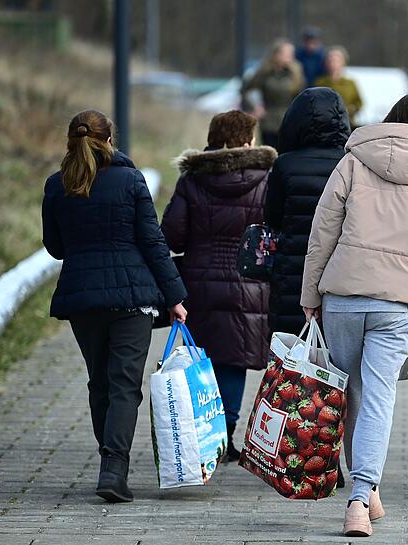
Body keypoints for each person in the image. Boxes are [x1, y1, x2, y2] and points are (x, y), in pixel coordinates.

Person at [301, 94, 408, 537]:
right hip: (396, 303)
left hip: (344, 297)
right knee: (377, 396)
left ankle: (363, 491)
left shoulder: (352, 161)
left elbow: (322, 233)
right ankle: (360, 496)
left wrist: (310, 294)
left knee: (350, 392)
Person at [42, 110, 188, 503]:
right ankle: (113, 469)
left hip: (83, 299)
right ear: (110, 140)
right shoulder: (130, 180)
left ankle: (109, 461)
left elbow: (55, 246)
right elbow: (153, 243)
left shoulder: (58, 186)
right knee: (125, 385)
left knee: (100, 383)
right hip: (132, 299)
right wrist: (175, 296)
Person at [160, 111, 275, 461]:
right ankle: (225, 436)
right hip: (249, 285)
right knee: (234, 360)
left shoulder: (191, 180)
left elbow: (172, 235)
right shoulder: (266, 179)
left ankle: (202, 434)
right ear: (247, 140)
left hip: (199, 281)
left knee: (202, 359)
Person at [264, 87, 350, 337]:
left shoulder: (285, 164)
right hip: (339, 275)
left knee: (293, 364)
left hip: (294, 278)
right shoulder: (351, 163)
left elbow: (272, 218)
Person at [242, 38, 305, 149]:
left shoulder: (296, 73)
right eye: (287, 53)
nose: (291, 56)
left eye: (292, 53)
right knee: (270, 154)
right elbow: (247, 90)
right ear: (276, 54)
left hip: (289, 121)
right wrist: (256, 107)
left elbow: (302, 96)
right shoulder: (265, 72)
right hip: (269, 121)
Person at [314, 46, 364, 126]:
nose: (332, 63)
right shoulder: (320, 83)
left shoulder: (350, 83)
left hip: (347, 124)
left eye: (336, 60)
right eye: (330, 60)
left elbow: (359, 103)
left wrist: (351, 109)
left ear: (343, 62)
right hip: (325, 125)